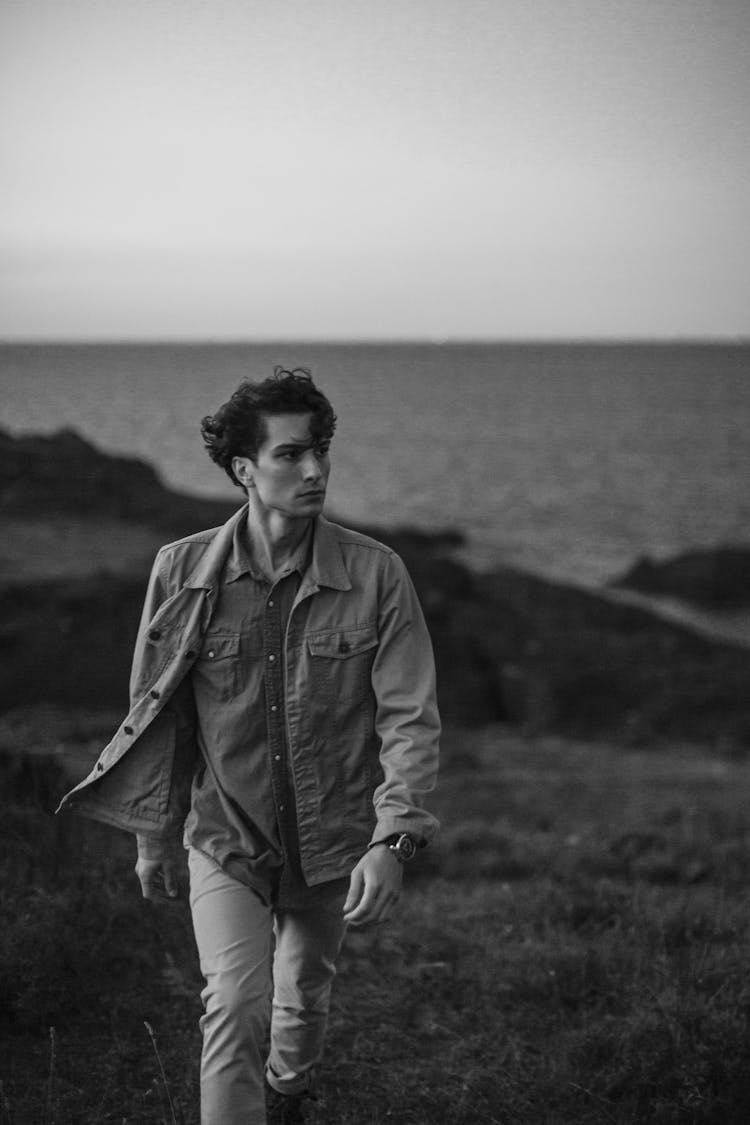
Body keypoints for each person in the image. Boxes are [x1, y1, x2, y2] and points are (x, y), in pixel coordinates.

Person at [59, 367, 440, 1125]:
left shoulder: (378, 574)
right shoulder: (179, 570)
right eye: (292, 454)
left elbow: (411, 717)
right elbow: (157, 714)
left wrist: (392, 840)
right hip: (223, 834)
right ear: (244, 469)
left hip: (333, 840)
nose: (316, 469)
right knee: (234, 1003)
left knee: (300, 1001)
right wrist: (151, 839)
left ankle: (290, 1093)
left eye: (322, 450)